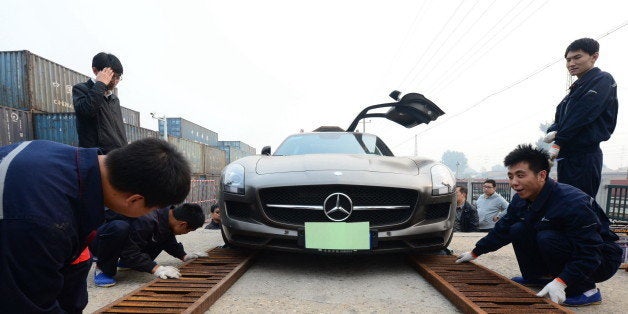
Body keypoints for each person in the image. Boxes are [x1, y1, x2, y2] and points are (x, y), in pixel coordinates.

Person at [0, 138, 191, 313]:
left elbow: (71, 277)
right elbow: (26, 305)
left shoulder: (75, 166)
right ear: (134, 200)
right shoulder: (43, 220)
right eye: (154, 209)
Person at [455, 144, 622, 306]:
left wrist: (562, 281)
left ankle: (585, 290)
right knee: (518, 229)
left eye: (520, 175)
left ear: (542, 175)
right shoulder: (521, 199)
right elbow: (503, 228)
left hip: (601, 257)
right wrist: (476, 252)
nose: (514, 182)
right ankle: (539, 276)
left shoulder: (571, 202)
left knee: (547, 237)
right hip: (573, 247)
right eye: (511, 176)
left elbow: (590, 250)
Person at [544, 38, 618, 198]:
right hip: (567, 156)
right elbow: (559, 120)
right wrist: (553, 131)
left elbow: (583, 114)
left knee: (579, 204)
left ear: (594, 56)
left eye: (577, 57)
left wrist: (558, 142)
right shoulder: (573, 92)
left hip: (584, 156)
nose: (571, 63)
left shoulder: (603, 80)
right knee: (566, 202)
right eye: (568, 59)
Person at [90, 203, 206, 287]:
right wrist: (155, 269)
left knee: (160, 234)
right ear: (183, 224)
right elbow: (129, 251)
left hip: (128, 238)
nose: (185, 233)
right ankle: (102, 268)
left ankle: (127, 263)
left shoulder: (167, 214)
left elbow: (167, 239)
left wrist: (184, 255)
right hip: (99, 239)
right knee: (119, 228)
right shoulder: (146, 220)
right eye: (188, 231)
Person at [73, 52, 128, 154]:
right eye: (112, 76)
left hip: (117, 158)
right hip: (95, 157)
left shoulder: (114, 99)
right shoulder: (81, 89)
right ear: (95, 70)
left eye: (118, 77)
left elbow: (120, 132)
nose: (115, 81)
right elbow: (87, 111)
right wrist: (101, 84)